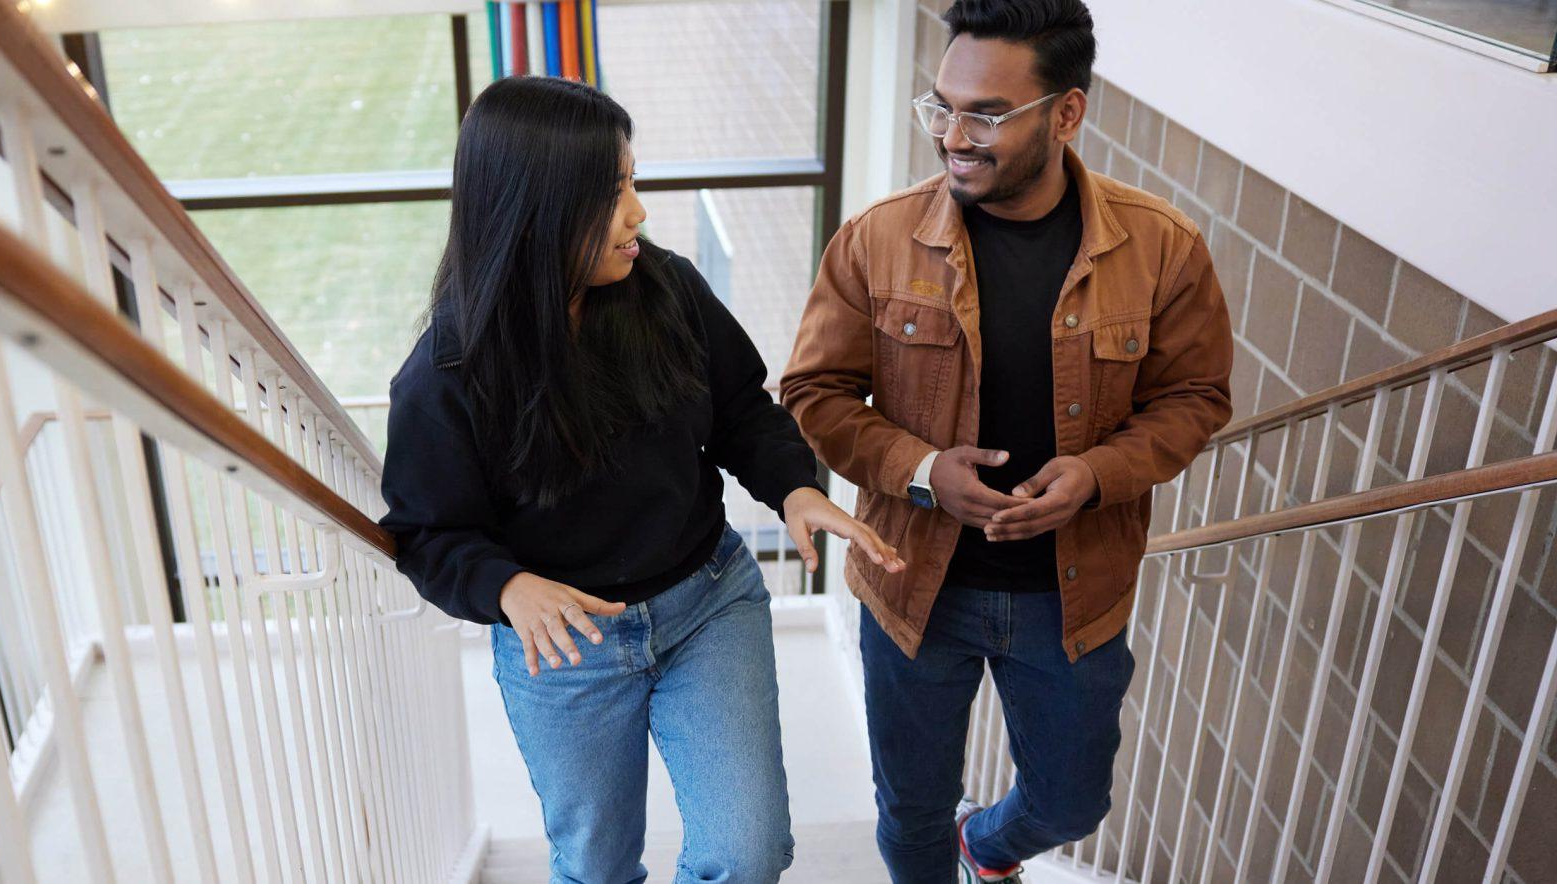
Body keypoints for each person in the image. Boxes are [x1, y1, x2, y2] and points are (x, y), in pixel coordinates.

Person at [380, 75, 902, 884]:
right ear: (537, 209)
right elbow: (427, 534)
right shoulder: (446, 373)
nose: (638, 211)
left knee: (747, 851)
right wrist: (508, 587)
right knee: (594, 865)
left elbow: (740, 410)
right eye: (611, 191)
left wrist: (796, 489)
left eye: (632, 180)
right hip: (565, 645)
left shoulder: (666, 288)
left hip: (708, 605)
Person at [780, 1, 1234, 881]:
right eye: (941, 106)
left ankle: (985, 848)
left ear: (1066, 113)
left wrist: (1098, 475)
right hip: (913, 592)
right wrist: (919, 472)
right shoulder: (878, 239)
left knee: (1071, 802)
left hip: (1071, 598)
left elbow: (1195, 396)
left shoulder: (1163, 250)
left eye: (986, 113)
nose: (954, 134)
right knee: (910, 811)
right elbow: (813, 392)